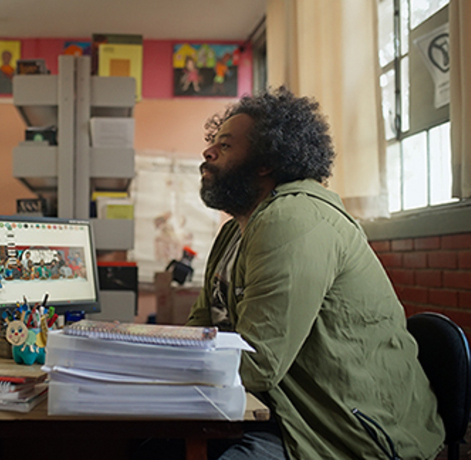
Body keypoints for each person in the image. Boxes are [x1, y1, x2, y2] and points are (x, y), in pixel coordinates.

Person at [185, 87, 445, 459]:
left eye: (225, 146)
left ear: (266, 162)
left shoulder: (293, 219)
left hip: (339, 431)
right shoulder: (233, 232)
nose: (207, 153)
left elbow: (258, 364)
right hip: (279, 409)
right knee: (145, 444)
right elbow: (201, 328)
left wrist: (155, 368)